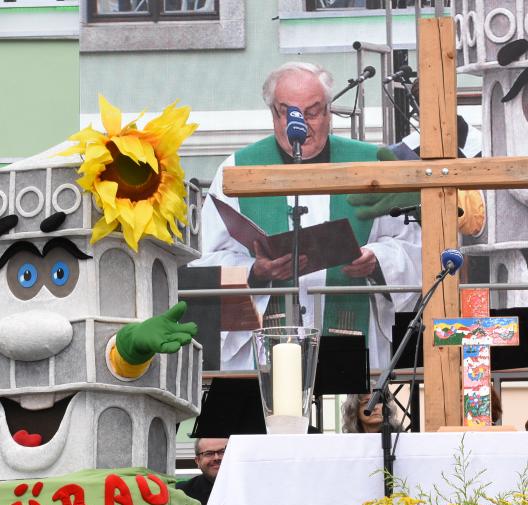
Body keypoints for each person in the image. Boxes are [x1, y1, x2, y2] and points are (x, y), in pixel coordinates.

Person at [194, 62, 469, 372]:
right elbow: (206, 260)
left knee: (350, 412)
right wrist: (256, 273)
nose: (301, 125)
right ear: (273, 113)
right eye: (288, 112)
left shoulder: (371, 164)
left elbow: (416, 247)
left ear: (328, 112)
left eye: (312, 112)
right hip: (266, 349)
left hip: (352, 342)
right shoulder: (237, 170)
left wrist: (377, 261)